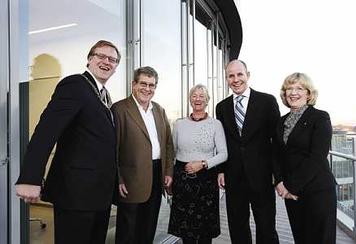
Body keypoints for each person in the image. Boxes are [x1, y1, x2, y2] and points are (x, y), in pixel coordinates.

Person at [15, 40, 121, 244]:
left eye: (113, 59)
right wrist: (30, 177)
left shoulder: (104, 95)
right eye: (101, 56)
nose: (107, 62)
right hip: (76, 195)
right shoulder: (75, 85)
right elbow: (46, 131)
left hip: (99, 195)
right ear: (89, 59)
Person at [215, 60, 280, 244]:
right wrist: (221, 170)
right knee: (237, 226)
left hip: (262, 176)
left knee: (266, 227)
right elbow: (222, 142)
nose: (235, 79)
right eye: (231, 76)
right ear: (227, 79)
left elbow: (276, 142)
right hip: (233, 176)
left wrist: (278, 174)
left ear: (248, 75)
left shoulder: (267, 101)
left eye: (239, 74)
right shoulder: (221, 107)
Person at [112, 66, 174, 244]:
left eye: (152, 85)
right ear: (133, 84)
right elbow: (112, 149)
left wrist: (168, 171)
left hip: (157, 177)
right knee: (127, 232)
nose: (147, 89)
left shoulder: (159, 110)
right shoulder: (119, 109)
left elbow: (168, 144)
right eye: (143, 84)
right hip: (131, 180)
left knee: (148, 228)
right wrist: (119, 178)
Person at [274, 72, 336, 243]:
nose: (293, 93)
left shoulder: (320, 117)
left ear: (309, 94)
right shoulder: (281, 121)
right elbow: (276, 154)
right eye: (289, 88)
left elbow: (317, 157)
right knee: (301, 239)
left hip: (317, 192)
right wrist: (279, 182)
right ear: (284, 93)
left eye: (299, 88)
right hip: (291, 195)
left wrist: (291, 187)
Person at [168, 84, 228, 244]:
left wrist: (203, 163)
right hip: (183, 180)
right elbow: (172, 153)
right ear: (190, 99)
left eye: (202, 96)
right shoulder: (179, 124)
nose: (198, 99)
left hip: (206, 180)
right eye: (194, 95)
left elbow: (223, 154)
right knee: (185, 229)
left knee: (204, 232)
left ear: (207, 100)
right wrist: (170, 177)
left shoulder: (215, 124)